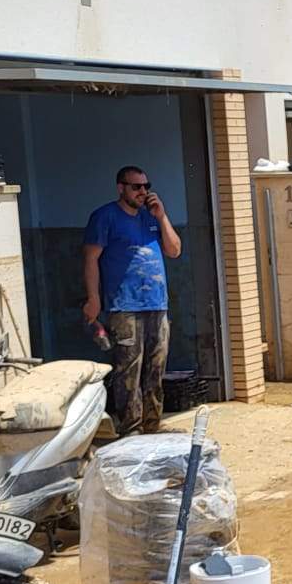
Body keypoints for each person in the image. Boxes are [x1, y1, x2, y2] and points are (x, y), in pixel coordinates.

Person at [84, 165, 183, 435]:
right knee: (129, 369)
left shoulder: (150, 218)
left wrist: (161, 217)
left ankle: (153, 424)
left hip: (156, 303)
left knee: (156, 368)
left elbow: (174, 250)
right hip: (124, 305)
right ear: (121, 188)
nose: (143, 192)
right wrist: (93, 298)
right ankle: (131, 428)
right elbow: (91, 259)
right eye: (136, 187)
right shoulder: (105, 217)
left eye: (146, 187)